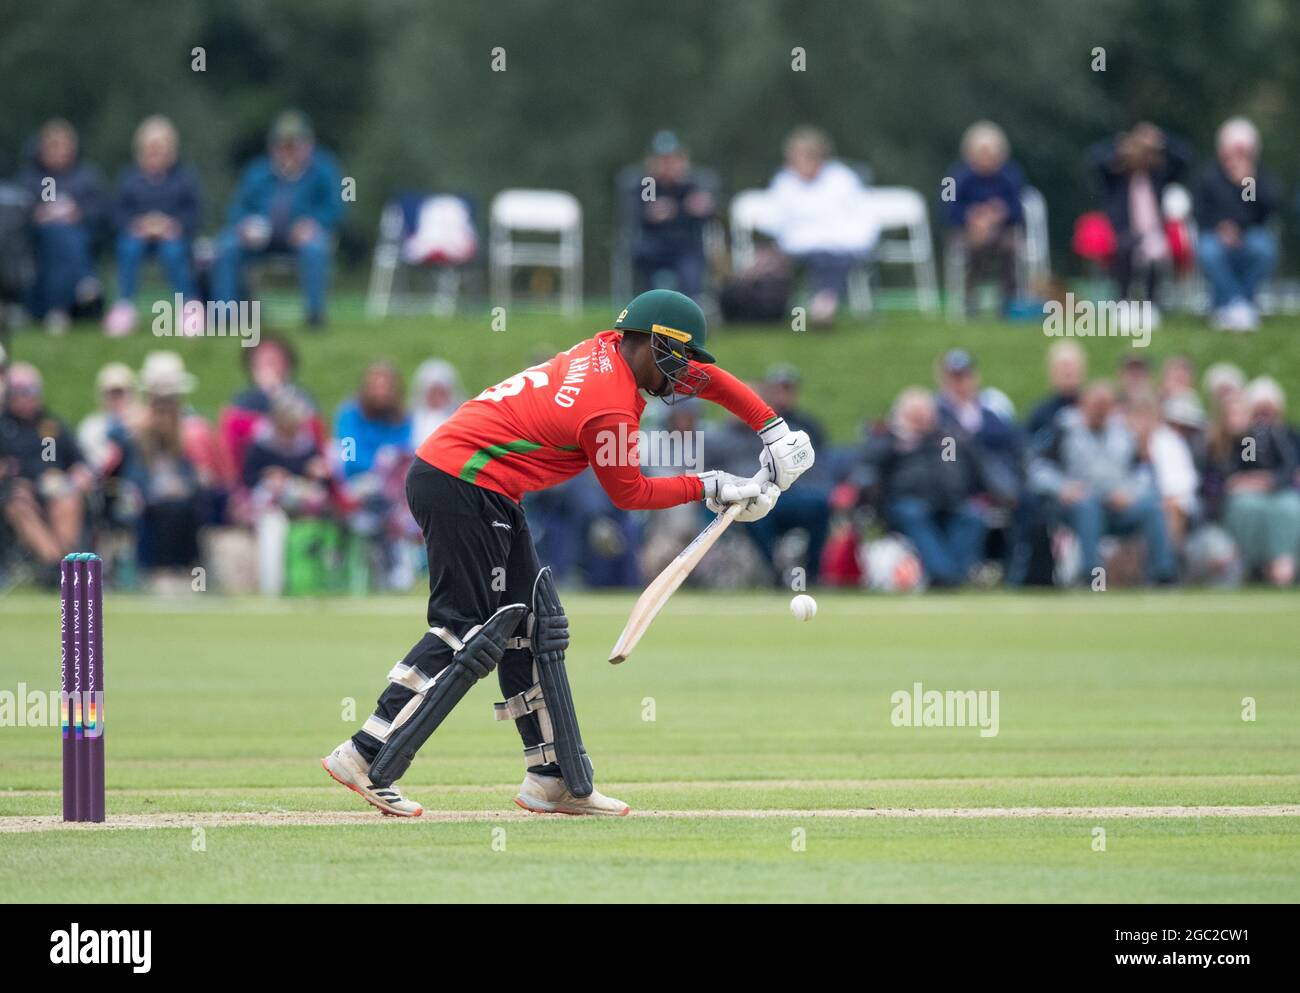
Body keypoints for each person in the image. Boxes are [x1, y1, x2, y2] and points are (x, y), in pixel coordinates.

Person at [320, 290, 811, 817]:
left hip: (477, 483)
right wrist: (712, 485)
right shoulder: (609, 406)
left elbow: (707, 378)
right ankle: (365, 754)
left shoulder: (611, 348)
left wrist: (772, 427)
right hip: (463, 483)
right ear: (651, 343)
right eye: (681, 359)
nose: (688, 375)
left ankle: (552, 779)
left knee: (533, 626)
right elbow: (631, 494)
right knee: (468, 629)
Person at [1029, 380, 1176, 584]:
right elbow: (1038, 470)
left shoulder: (1124, 432)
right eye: (1096, 405)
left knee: (1152, 507)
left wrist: (1130, 493)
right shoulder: (1064, 429)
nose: (1100, 411)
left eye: (1105, 406)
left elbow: (1143, 474)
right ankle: (1092, 576)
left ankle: (1163, 575)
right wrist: (1063, 488)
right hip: (1079, 504)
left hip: (1119, 505)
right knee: (1088, 508)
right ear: (1083, 404)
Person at [211, 111, 343, 326]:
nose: (288, 151)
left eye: (294, 144)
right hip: (259, 239)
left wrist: (313, 224)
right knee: (226, 247)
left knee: (316, 248)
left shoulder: (324, 171)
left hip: (301, 239)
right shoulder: (257, 172)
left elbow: (335, 208)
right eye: (283, 144)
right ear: (273, 146)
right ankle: (224, 318)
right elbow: (237, 208)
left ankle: (315, 316)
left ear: (308, 144)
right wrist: (244, 226)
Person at [860, 387, 999, 586]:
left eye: (924, 415)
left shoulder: (946, 440)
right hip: (906, 503)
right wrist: (897, 440)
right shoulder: (888, 440)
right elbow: (868, 468)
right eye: (914, 416)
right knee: (914, 514)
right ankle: (944, 574)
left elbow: (966, 467)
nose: (921, 421)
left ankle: (956, 574)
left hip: (950, 503)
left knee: (972, 516)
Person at [764, 126, 876, 325]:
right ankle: (824, 305)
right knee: (823, 257)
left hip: (840, 242)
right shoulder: (785, 182)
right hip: (800, 243)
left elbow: (857, 215)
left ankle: (822, 305)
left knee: (830, 256)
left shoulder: (842, 179)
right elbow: (779, 220)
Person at [104, 116, 202, 336]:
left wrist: (174, 225)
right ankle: (124, 306)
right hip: (138, 238)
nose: (155, 154)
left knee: (174, 251)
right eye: (150, 149)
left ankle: (187, 307)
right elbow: (117, 214)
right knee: (127, 247)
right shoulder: (128, 179)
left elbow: (194, 214)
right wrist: (137, 225)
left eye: (160, 149)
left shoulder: (185, 179)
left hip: (173, 238)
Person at [0, 362, 92, 579]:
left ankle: (66, 563)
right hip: (17, 492)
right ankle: (52, 564)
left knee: (68, 501)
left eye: (32, 392)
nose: (27, 398)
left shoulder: (52, 424)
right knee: (19, 505)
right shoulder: (4, 427)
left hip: (55, 489)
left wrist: (76, 479)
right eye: (21, 393)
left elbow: (81, 463)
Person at [1087, 122, 1192, 307]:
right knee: (1126, 247)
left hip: (1155, 231)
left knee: (1157, 251)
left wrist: (1162, 140)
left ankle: (1152, 304)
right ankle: (1123, 302)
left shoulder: (1158, 175)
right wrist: (1117, 146)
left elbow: (1185, 158)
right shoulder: (1116, 177)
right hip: (1122, 231)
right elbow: (1093, 159)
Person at [18, 119, 108, 333]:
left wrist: (79, 213)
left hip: (82, 236)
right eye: (54, 145)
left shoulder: (86, 177)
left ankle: (57, 308)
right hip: (39, 238)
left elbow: (102, 211)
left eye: (64, 145)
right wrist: (37, 213)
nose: (59, 151)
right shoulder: (30, 178)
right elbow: (18, 210)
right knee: (57, 235)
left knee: (66, 236)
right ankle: (85, 283)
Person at [1206, 379, 1298, 586]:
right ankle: (1256, 566)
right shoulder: (1216, 443)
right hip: (1227, 506)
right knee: (1248, 506)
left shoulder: (1261, 436)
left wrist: (1267, 480)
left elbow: (1283, 467)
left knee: (1289, 506)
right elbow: (1227, 476)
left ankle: (1281, 561)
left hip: (1271, 492)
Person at [1193, 117, 1281, 332]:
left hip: (1248, 234)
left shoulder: (1255, 178)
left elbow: (1263, 211)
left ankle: (1236, 305)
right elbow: (1200, 212)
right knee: (1209, 251)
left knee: (1264, 248)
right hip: (1215, 235)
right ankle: (1235, 304)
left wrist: (1247, 183)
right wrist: (1221, 228)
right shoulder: (1209, 176)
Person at [943, 121, 1026, 315]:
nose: (986, 159)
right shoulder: (953, 177)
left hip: (1003, 230)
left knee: (1009, 247)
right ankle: (969, 300)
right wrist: (971, 217)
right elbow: (946, 209)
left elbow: (1019, 206)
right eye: (982, 153)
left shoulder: (1012, 174)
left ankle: (1009, 301)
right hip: (967, 232)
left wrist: (999, 214)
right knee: (973, 246)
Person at [629, 131, 716, 299]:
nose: (668, 165)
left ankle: (690, 308)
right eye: (663, 160)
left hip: (686, 244)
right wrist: (656, 212)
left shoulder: (693, 183)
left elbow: (706, 213)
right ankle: (650, 306)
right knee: (645, 255)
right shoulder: (649, 183)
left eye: (672, 159)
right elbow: (644, 214)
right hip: (654, 245)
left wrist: (703, 208)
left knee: (691, 267)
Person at [1026, 341, 1086, 438]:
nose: (1068, 372)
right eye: (1063, 367)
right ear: (1051, 373)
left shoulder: (1092, 410)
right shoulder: (1040, 413)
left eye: (1072, 366)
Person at [409, 358, 463, 446]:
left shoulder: (457, 419)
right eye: (433, 392)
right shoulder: (413, 420)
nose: (437, 397)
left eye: (441, 392)